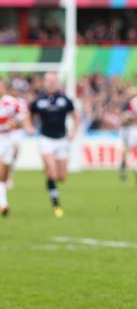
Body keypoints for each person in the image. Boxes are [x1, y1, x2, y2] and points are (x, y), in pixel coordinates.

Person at [30, 72, 80, 218]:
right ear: (44, 82)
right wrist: (30, 127)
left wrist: (73, 132)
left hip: (62, 139)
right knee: (51, 171)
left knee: (61, 177)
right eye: (48, 80)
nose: (51, 83)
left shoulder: (65, 99)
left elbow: (75, 116)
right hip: (46, 139)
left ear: (57, 82)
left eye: (53, 80)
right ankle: (55, 204)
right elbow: (28, 114)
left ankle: (50, 172)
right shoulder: (38, 100)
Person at [0, 80, 31, 217]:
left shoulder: (12, 102)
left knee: (4, 175)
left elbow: (22, 119)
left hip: (8, 139)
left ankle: (3, 202)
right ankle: (4, 204)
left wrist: (18, 124)